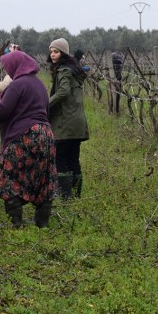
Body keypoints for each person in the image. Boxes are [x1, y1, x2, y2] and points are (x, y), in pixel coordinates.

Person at [0, 50, 56, 227]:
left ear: (15, 66)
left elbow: (3, 108)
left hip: (24, 135)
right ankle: (42, 223)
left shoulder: (17, 84)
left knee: (11, 176)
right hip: (46, 134)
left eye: (8, 66)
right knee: (43, 177)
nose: (7, 70)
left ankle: (15, 223)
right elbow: (42, 109)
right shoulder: (39, 84)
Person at [48, 38, 90, 200]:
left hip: (65, 121)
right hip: (77, 121)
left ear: (63, 53)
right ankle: (76, 196)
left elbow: (63, 91)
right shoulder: (74, 70)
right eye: (51, 51)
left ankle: (66, 196)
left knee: (60, 157)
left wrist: (45, 104)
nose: (53, 54)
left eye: (56, 51)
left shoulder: (63, 70)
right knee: (73, 158)